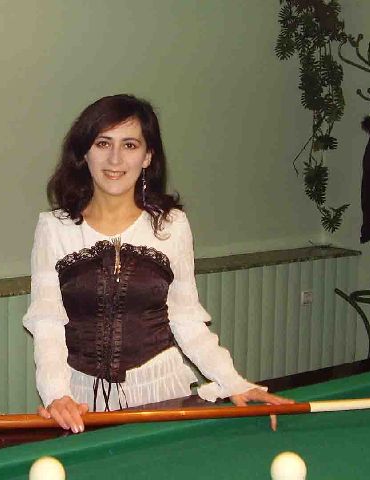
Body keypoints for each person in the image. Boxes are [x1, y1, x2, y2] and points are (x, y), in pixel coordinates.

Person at [23, 94, 292, 434]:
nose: (115, 158)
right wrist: (56, 394)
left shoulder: (172, 226)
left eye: (130, 145)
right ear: (84, 153)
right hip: (79, 402)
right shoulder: (53, 228)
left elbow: (186, 319)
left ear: (148, 156)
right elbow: (47, 323)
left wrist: (234, 382)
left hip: (162, 393)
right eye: (103, 143)